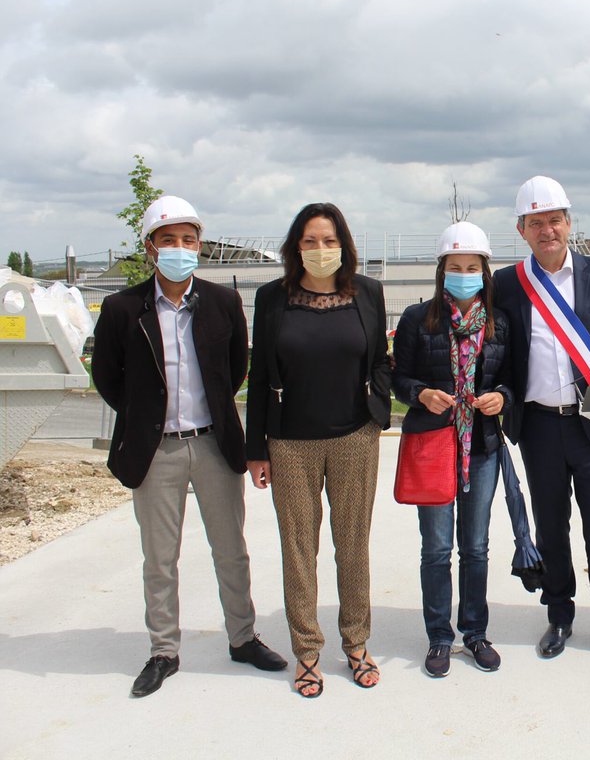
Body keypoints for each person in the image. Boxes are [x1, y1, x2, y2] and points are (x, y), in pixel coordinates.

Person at [92, 195, 286, 698]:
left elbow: (236, 370)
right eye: (168, 239)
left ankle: (242, 638)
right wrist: (145, 420)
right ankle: (163, 650)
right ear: (151, 247)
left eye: (188, 239)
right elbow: (107, 377)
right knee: (160, 556)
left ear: (199, 245)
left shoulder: (223, 303)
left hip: (214, 444)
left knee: (231, 550)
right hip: (156, 450)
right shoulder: (122, 309)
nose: (179, 248)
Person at [493, 175, 590, 665]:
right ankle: (559, 615)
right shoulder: (505, 284)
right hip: (539, 426)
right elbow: (496, 351)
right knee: (552, 527)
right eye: (536, 223)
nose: (547, 231)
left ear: (569, 222)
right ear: (521, 230)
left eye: (554, 220)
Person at [244, 202, 392, 697]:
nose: (320, 250)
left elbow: (381, 361)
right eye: (310, 241)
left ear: (344, 246)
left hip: (354, 438)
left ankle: (356, 644)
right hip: (290, 444)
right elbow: (260, 374)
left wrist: (377, 410)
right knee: (299, 551)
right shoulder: (272, 299)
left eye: (329, 241)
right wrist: (256, 449)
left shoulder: (367, 293)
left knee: (353, 548)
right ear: (295, 247)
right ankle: (307, 653)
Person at [392, 222, 511, 678]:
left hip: (481, 449)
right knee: (437, 549)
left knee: (476, 547)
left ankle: (475, 632)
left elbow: (513, 381)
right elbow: (399, 378)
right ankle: (440, 637)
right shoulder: (416, 319)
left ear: (485, 271)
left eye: (472, 267)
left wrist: (502, 396)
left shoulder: (501, 325)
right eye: (455, 267)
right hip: (435, 448)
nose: (464, 274)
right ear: (442, 271)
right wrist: (421, 393)